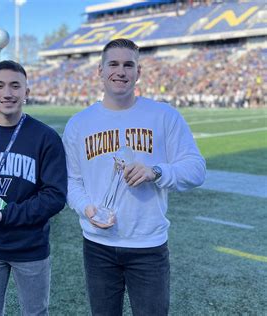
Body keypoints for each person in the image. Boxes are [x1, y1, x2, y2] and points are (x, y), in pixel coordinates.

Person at [63, 38, 206, 316]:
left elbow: (196, 169)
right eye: (113, 64)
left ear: (138, 72)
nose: (121, 71)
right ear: (100, 71)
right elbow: (71, 180)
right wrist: (86, 208)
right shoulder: (79, 123)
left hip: (148, 246)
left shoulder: (164, 115)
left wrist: (157, 171)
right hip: (98, 245)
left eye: (129, 65)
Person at [0, 60, 67, 316]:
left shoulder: (46, 137)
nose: (7, 93)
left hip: (30, 247)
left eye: (15, 86)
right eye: (0, 86)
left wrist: (6, 215)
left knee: (35, 313)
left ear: (26, 92)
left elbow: (55, 196)